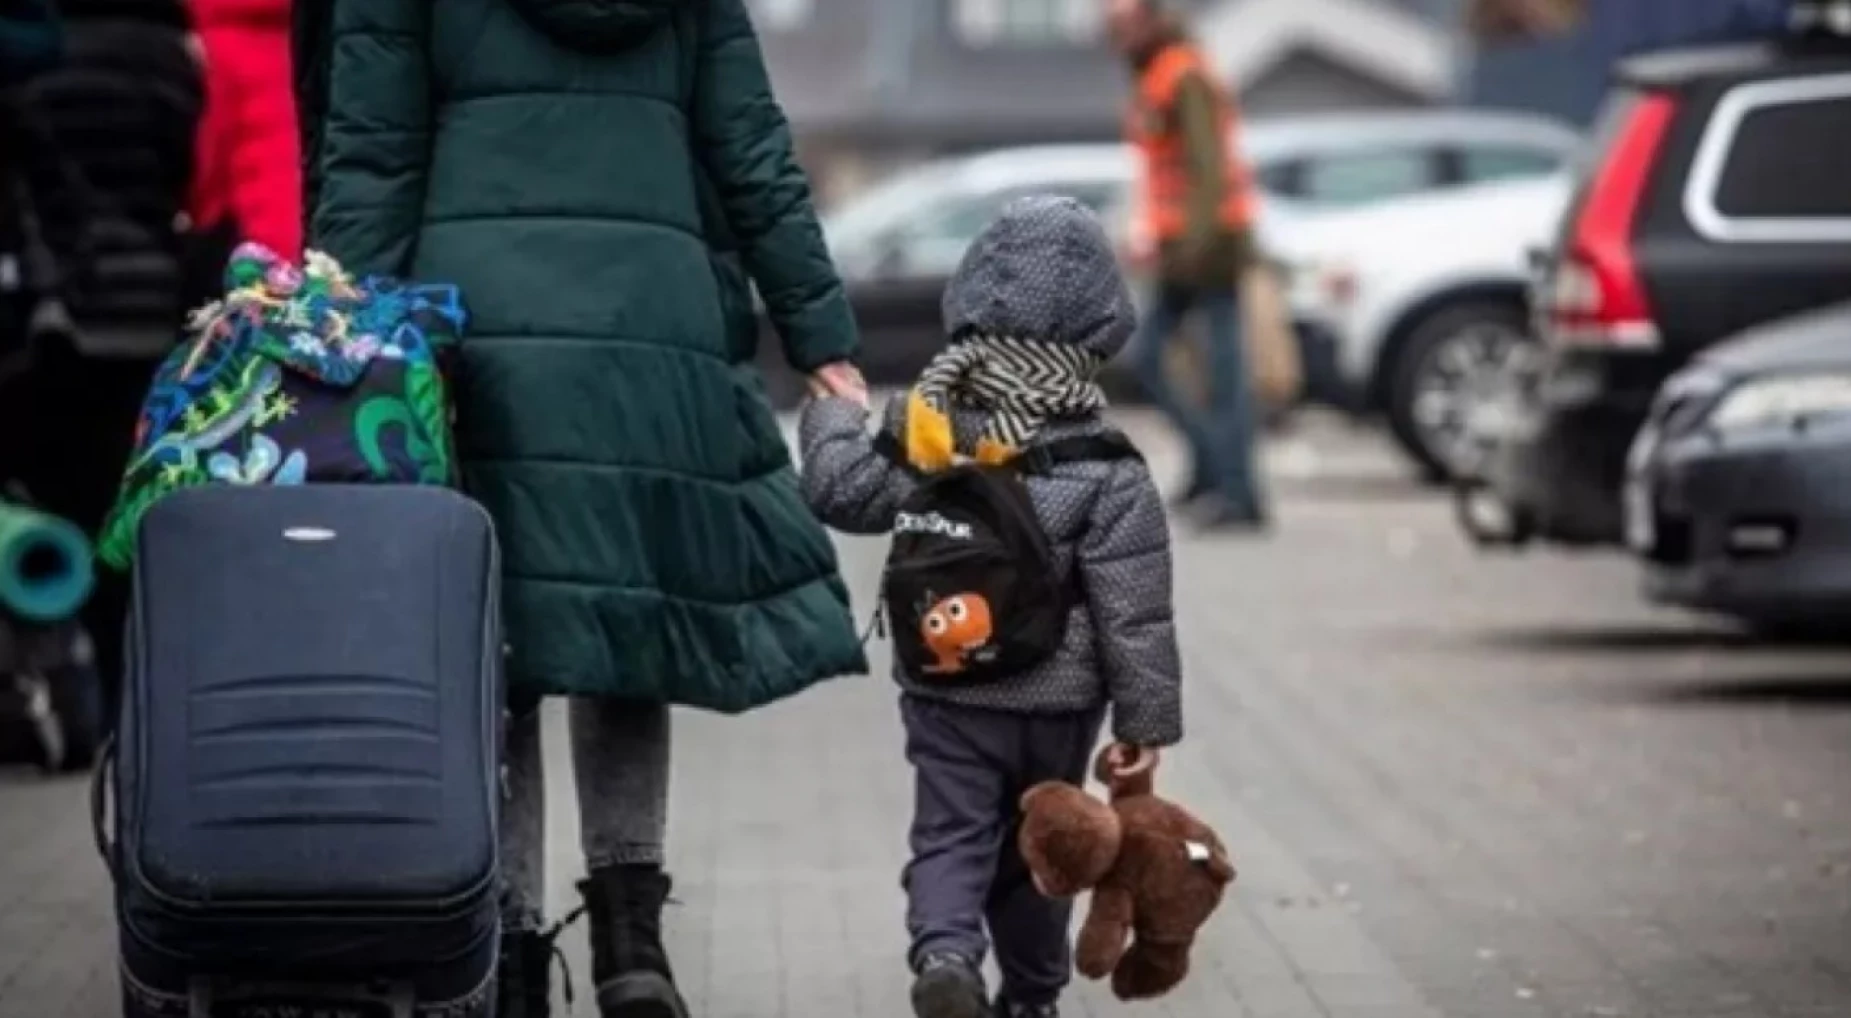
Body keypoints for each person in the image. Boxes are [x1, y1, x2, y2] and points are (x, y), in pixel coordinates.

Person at [302, 1, 870, 1016]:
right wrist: (818, 332)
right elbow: (749, 149)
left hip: (475, 335)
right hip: (649, 337)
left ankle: (510, 952)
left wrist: (344, 344)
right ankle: (630, 942)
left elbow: (372, 162)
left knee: (491, 646)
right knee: (622, 625)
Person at [800, 196, 1184, 1018]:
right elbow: (1134, 611)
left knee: (950, 831)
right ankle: (1033, 1000)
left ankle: (945, 954)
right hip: (1059, 699)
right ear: (1101, 322)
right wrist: (1143, 728)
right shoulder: (1108, 465)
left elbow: (840, 492)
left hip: (947, 687)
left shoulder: (930, 432)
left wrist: (836, 408)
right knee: (1045, 846)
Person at [2, 0, 201, 709]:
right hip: (144, 308)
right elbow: (186, 173)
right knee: (124, 509)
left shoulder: (28, 57)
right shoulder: (169, 58)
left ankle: (55, 679)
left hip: (51, 320)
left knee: (46, 509)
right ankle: (125, 695)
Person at [1107, 0, 1267, 531]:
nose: (1116, 34)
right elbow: (1160, 171)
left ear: (1152, 20)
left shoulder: (1183, 74)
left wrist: (1191, 245)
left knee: (1220, 375)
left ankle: (1236, 492)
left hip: (1209, 246)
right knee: (1159, 361)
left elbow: (1209, 169)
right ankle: (1213, 473)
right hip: (1184, 245)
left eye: (1125, 23)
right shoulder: (1156, 74)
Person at [183, 0, 302, 259]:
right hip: (312, 229)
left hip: (251, 248)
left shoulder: (207, 49)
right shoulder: (301, 40)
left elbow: (205, 165)